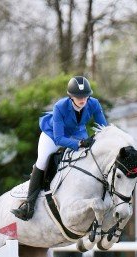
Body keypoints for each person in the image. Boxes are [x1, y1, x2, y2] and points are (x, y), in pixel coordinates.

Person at [12, 76, 108, 221]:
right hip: (53, 135)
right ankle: (29, 206)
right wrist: (79, 144)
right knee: (43, 161)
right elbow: (59, 138)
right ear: (71, 97)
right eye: (78, 96)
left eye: (85, 96)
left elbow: (103, 128)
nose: (83, 100)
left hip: (77, 133)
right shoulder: (60, 106)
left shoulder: (94, 103)